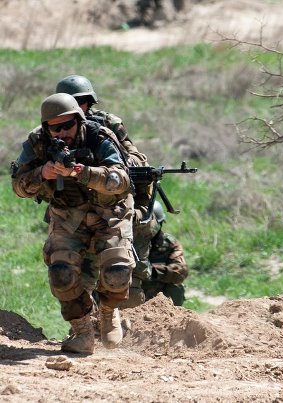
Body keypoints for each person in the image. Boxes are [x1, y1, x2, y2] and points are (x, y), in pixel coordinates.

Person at [11, 93, 137, 354]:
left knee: (117, 272)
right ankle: (82, 330)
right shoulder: (37, 142)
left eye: (68, 125)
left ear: (79, 121)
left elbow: (120, 180)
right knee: (61, 273)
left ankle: (107, 311)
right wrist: (41, 173)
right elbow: (19, 187)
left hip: (109, 213)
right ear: (47, 127)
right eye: (56, 127)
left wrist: (82, 173)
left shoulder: (98, 137)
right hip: (67, 215)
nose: (63, 133)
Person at [55, 75, 151, 307]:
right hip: (74, 211)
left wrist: (113, 166)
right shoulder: (54, 131)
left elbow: (137, 159)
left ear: (89, 102)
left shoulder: (107, 125)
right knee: (73, 274)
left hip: (111, 205)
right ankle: (84, 327)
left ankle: (125, 323)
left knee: (124, 269)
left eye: (82, 102)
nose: (78, 108)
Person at [141, 200, 188, 306]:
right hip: (131, 290)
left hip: (159, 294)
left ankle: (172, 318)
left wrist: (152, 271)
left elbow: (181, 271)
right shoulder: (128, 243)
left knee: (176, 287)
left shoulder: (169, 243)